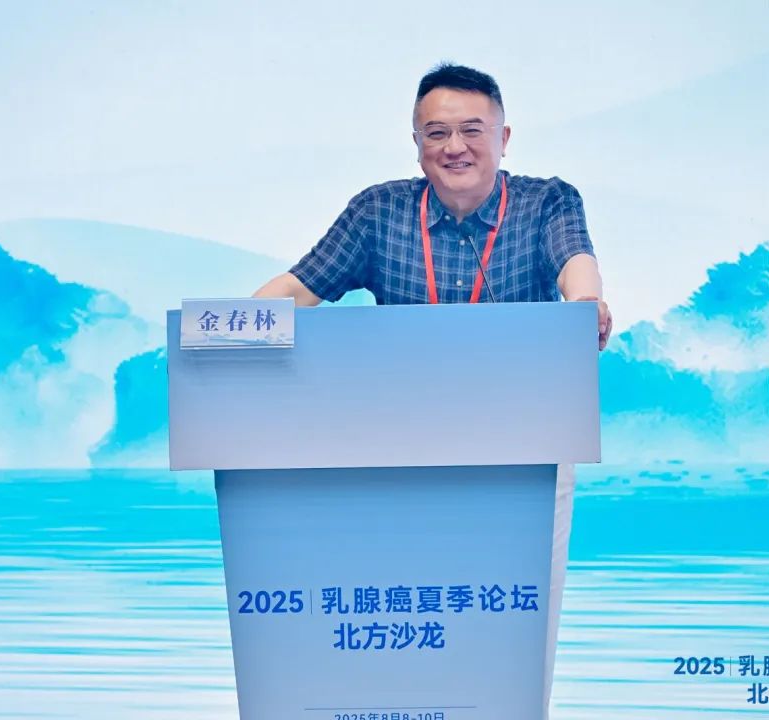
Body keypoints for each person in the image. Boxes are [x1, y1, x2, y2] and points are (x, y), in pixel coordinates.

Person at [255, 62, 610, 717]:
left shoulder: (547, 202)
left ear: (504, 138)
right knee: (414, 622)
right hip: (401, 453)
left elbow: (574, 263)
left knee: (513, 625)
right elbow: (299, 288)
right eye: (437, 133)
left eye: (472, 130)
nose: (455, 148)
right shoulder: (379, 211)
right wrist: (222, 332)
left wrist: (586, 304)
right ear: (416, 141)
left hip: (522, 448)